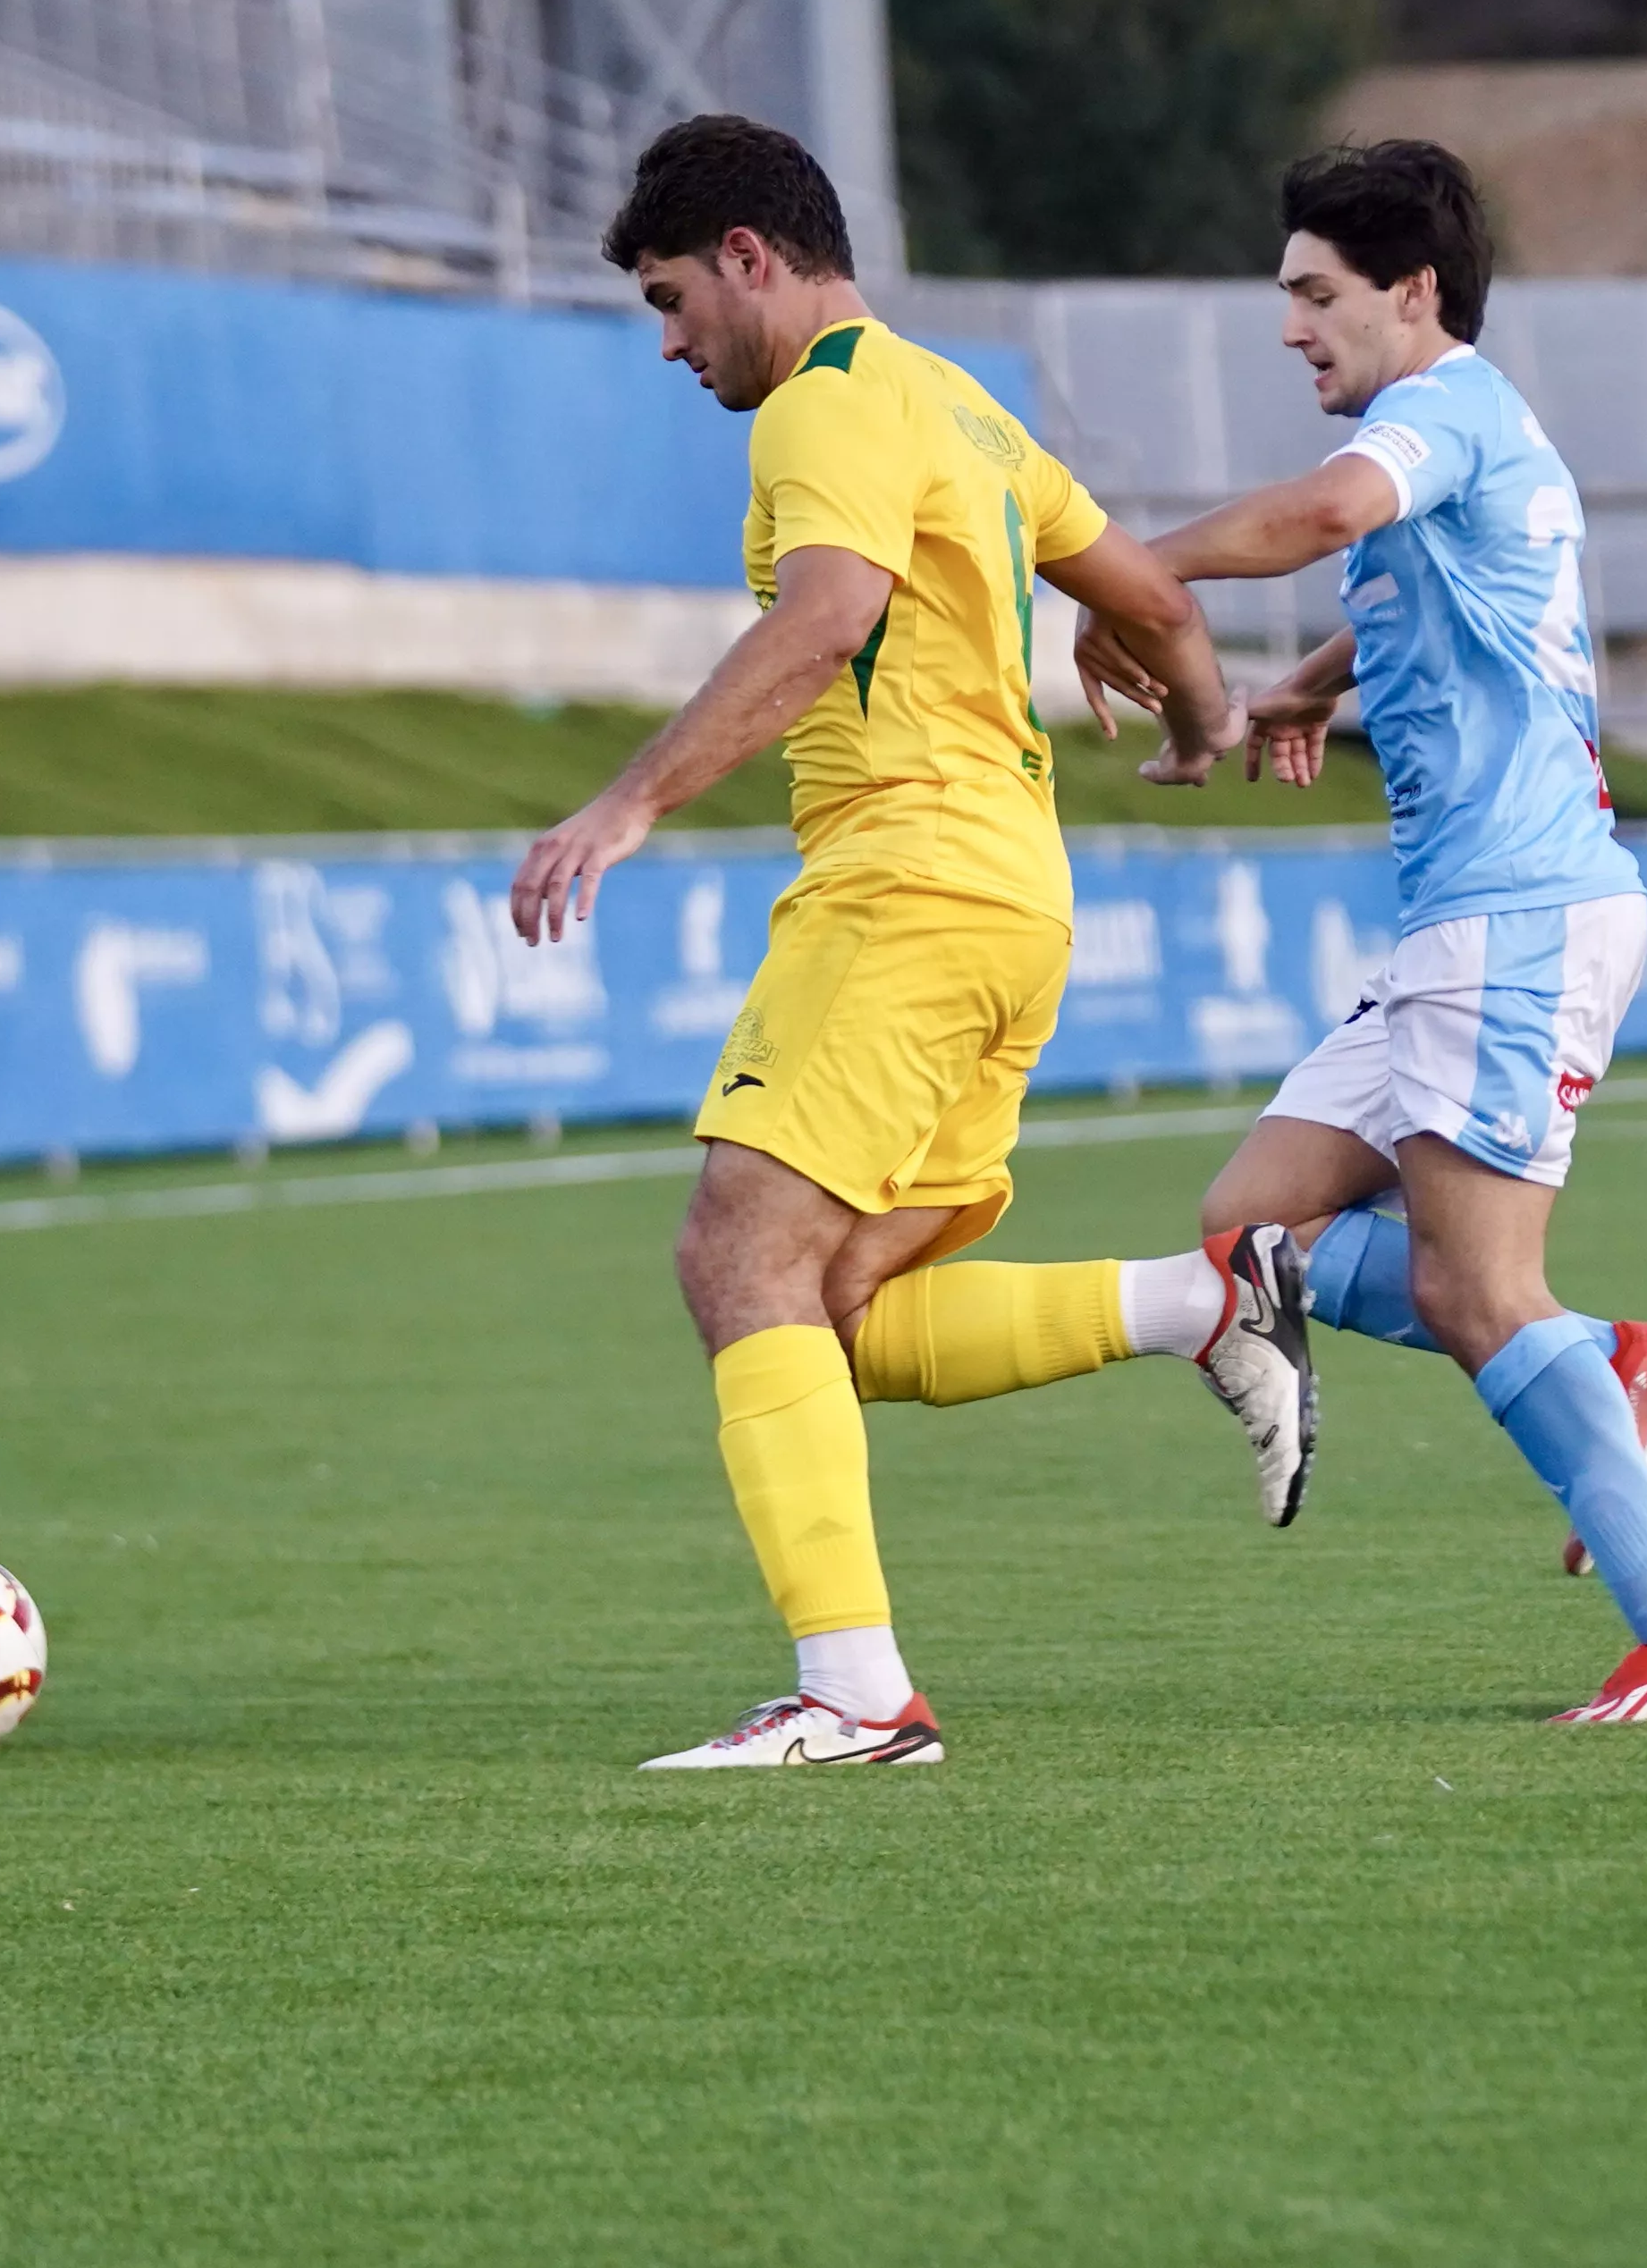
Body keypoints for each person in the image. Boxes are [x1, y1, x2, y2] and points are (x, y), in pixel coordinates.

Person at [511, 116, 1298, 1775]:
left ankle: (853, 1697)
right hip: (1015, 901)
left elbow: (826, 614)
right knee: (837, 1311)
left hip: (907, 885)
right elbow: (1145, 594)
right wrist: (1200, 723)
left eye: (668, 300)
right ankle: (1197, 1301)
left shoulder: (820, 405)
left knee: (735, 1256)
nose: (668, 345)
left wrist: (627, 805)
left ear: (747, 255)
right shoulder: (956, 399)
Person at [1077, 139, 1647, 1724]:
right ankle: (1601, 1359)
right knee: (1251, 1228)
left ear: (1413, 291)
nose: (1288, 327)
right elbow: (1406, 583)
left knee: (1474, 1297)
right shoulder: (1465, 440)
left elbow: (1326, 517)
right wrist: (1300, 692)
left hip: (1518, 917)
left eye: (1314, 295)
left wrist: (1114, 568)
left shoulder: (1434, 414)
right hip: (1468, 926)